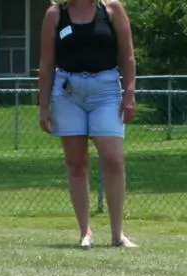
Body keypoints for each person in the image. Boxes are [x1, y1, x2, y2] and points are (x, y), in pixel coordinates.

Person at [38, 0, 138, 249]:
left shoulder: (112, 10)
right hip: (68, 92)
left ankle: (118, 235)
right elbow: (47, 62)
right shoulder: (56, 14)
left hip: (106, 91)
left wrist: (129, 93)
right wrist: (43, 105)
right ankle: (86, 232)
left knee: (114, 160)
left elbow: (127, 55)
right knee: (76, 163)